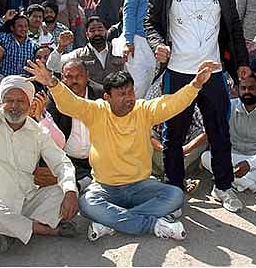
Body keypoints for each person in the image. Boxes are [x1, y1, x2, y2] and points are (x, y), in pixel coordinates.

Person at [25, 58, 221, 241]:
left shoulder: (143, 110)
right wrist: (52, 82)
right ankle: (153, 224)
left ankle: (110, 222)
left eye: (130, 92)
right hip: (105, 188)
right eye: (121, 94)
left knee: (175, 196)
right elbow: (71, 104)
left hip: (140, 186)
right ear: (107, 97)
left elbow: (172, 103)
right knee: (86, 204)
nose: (128, 99)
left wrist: (196, 84)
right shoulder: (96, 111)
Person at [144, 0, 250, 213]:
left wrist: (241, 62)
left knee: (219, 131)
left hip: (212, 72)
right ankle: (175, 190)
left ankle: (223, 187)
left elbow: (234, 26)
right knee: (173, 134)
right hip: (178, 72)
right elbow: (150, 22)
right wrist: (157, 44)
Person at [0, 35, 79, 252]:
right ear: (1, 101)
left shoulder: (38, 131)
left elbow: (61, 162)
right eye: (9, 100)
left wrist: (70, 191)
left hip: (27, 202)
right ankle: (45, 230)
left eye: (20, 101)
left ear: (30, 104)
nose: (14, 106)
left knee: (64, 192)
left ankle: (14, 229)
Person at [202, 71, 256, 195]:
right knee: (206, 157)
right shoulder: (228, 107)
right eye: (243, 88)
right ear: (237, 89)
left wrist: (249, 164)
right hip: (233, 157)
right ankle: (253, 185)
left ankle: (230, 179)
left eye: (251, 88)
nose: (247, 91)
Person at [122, 0, 174, 98]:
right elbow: (129, 8)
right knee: (138, 88)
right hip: (140, 41)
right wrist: (129, 41)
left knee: (160, 90)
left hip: (165, 42)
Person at [45, 59, 102, 190]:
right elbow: (49, 132)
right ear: (62, 78)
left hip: (98, 158)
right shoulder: (55, 97)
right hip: (69, 159)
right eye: (69, 77)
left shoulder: (100, 94)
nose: (74, 81)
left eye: (79, 76)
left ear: (87, 75)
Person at [47, 16, 123, 86]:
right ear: (87, 35)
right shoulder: (78, 55)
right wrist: (60, 47)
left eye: (100, 29)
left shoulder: (118, 50)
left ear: (106, 31)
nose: (97, 33)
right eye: (92, 30)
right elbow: (52, 66)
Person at [0, 9, 38, 77]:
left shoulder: (33, 45)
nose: (23, 29)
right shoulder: (4, 38)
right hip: (5, 80)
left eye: (26, 26)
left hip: (24, 81)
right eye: (20, 26)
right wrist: (4, 19)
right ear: (12, 28)